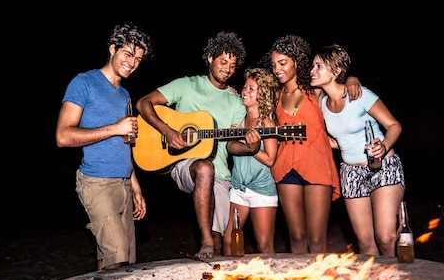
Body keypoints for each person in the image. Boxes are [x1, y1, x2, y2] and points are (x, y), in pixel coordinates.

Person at [136, 31, 257, 259]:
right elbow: (144, 103)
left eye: (232, 65)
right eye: (223, 62)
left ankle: (213, 256)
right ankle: (205, 241)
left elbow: (231, 145)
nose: (227, 69)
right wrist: (168, 131)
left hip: (221, 174)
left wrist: (250, 147)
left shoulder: (235, 101)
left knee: (221, 247)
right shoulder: (186, 85)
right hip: (184, 165)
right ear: (210, 58)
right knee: (204, 167)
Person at [55, 22, 152, 271]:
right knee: (117, 256)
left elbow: (125, 146)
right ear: (112, 49)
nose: (133, 62)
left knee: (119, 257)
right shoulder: (84, 82)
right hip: (96, 183)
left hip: (123, 184)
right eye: (128, 54)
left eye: (139, 58)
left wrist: (136, 188)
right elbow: (63, 136)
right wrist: (115, 127)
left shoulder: (124, 95)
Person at [263, 34, 362, 254]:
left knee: (317, 240)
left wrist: (352, 78)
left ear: (296, 62)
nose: (277, 69)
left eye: (282, 63)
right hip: (285, 166)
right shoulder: (276, 94)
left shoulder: (314, 89)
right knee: (296, 237)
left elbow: (336, 81)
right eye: (273, 65)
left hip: (317, 164)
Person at [310, 43, 405, 257]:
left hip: (382, 167)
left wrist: (384, 145)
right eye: (313, 66)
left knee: (386, 237)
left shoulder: (359, 95)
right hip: (351, 173)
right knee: (365, 242)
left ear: (336, 72)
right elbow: (340, 140)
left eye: (319, 66)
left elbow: (394, 125)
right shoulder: (322, 103)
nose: (312, 71)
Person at [223, 67, 281, 255]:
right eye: (244, 87)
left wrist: (250, 146)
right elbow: (230, 147)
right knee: (229, 241)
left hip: (261, 189)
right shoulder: (240, 117)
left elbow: (271, 159)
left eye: (251, 88)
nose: (244, 91)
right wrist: (241, 141)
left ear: (262, 94)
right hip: (239, 187)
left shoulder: (267, 122)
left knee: (264, 246)